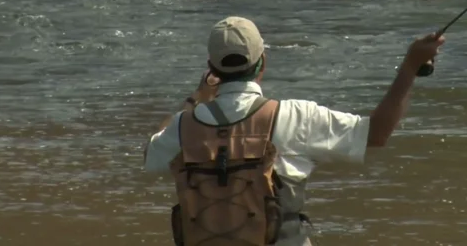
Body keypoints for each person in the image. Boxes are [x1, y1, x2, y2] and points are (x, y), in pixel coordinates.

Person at [143, 16, 445, 246]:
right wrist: (410, 66)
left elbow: (151, 153)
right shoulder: (294, 116)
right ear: (263, 63)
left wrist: (196, 98)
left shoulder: (184, 126)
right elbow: (375, 135)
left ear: (212, 68)